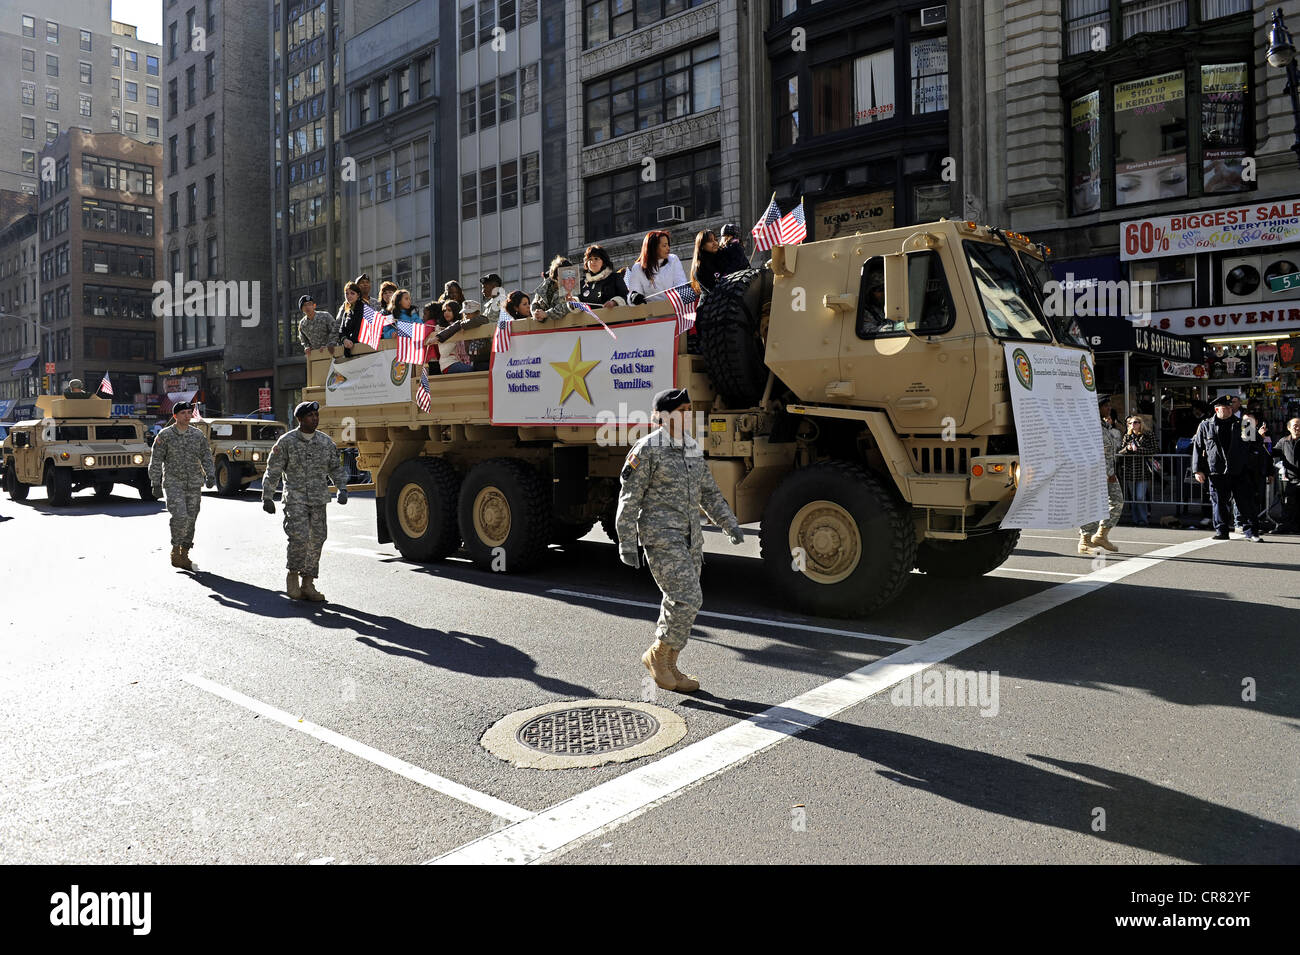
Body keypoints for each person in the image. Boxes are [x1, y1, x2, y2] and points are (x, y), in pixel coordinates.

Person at [615, 388, 745, 693]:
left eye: (689, 409)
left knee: (680, 601)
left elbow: (709, 494)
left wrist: (729, 524)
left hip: (691, 539)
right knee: (688, 597)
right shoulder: (647, 449)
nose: (687, 414)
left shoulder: (690, 448)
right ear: (661, 416)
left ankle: (670, 664)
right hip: (661, 538)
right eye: (680, 410)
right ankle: (658, 656)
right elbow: (629, 499)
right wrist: (626, 541)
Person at [261, 400, 348, 601]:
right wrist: (267, 496)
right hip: (295, 498)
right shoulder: (286, 442)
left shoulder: (325, 442)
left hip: (318, 498)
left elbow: (335, 467)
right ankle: (293, 576)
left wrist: (342, 488)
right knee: (299, 537)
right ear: (299, 419)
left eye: (316, 416)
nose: (315, 419)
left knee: (317, 539)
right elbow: (273, 470)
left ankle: (308, 582)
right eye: (310, 416)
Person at [148, 400, 217, 570]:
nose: (187, 416)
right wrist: (155, 482)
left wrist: (210, 475)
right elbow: (156, 460)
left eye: (189, 413)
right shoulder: (165, 435)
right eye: (183, 413)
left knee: (191, 519)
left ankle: (185, 552)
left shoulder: (197, 435)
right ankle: (175, 549)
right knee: (180, 516)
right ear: (175, 416)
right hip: (173, 482)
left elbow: (206, 456)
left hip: (194, 483)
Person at [1192, 395, 1259, 541]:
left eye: (1231, 407)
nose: (1229, 410)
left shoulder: (1245, 424)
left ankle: (1251, 532)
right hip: (1216, 470)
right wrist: (1197, 470)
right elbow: (1198, 448)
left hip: (1239, 470)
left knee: (1245, 502)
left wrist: (1249, 466)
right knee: (1219, 502)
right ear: (1217, 409)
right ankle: (1221, 531)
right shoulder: (1205, 425)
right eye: (1226, 407)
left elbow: (1255, 447)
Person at [1079, 395, 1125, 553]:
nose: (1109, 408)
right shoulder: (1090, 425)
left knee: (1117, 501)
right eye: (1105, 406)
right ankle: (1084, 541)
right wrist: (1104, 472)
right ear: (1096, 408)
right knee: (1092, 505)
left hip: (1108, 473)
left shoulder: (1105, 426)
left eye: (1109, 405)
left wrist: (1110, 471)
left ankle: (1101, 536)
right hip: (1095, 472)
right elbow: (1091, 451)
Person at [624, 231, 688, 302]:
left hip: (674, 307)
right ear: (653, 248)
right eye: (664, 245)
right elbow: (634, 293)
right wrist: (634, 297)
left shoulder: (673, 259)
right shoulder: (637, 268)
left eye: (668, 245)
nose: (668, 248)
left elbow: (681, 285)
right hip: (652, 311)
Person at [1116, 414, 1156, 526]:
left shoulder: (1148, 435)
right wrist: (1128, 449)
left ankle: (1143, 519)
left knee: (1140, 497)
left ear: (1140, 424)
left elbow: (1154, 450)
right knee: (1133, 498)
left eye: (1136, 422)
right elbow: (1120, 452)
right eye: (1131, 423)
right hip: (1130, 470)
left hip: (1143, 470)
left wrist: (1138, 450)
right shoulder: (1127, 436)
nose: (1133, 425)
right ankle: (1135, 519)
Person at [1272, 417, 1300, 533]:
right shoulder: (1284, 441)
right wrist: (1263, 439)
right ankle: (1285, 526)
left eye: (1299, 426)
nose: (1298, 428)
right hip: (1289, 478)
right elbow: (1272, 452)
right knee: (1287, 503)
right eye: (1295, 426)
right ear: (1289, 428)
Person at [532, 255, 577, 322]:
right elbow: (535, 304)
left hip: (568, 326)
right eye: (562, 273)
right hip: (545, 329)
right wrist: (536, 313)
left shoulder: (572, 287)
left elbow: (567, 307)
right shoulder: (544, 287)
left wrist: (547, 314)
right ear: (556, 274)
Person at [689, 230, 724, 294]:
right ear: (701, 246)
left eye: (716, 239)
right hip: (712, 301)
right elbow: (713, 290)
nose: (715, 243)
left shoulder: (722, 255)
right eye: (710, 241)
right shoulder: (699, 267)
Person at [337, 282, 363, 356]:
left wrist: (350, 341)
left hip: (362, 349)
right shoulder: (347, 311)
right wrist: (344, 340)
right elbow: (341, 330)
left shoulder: (364, 309)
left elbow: (359, 329)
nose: (349, 296)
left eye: (352, 293)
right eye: (347, 293)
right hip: (348, 349)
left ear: (358, 295)